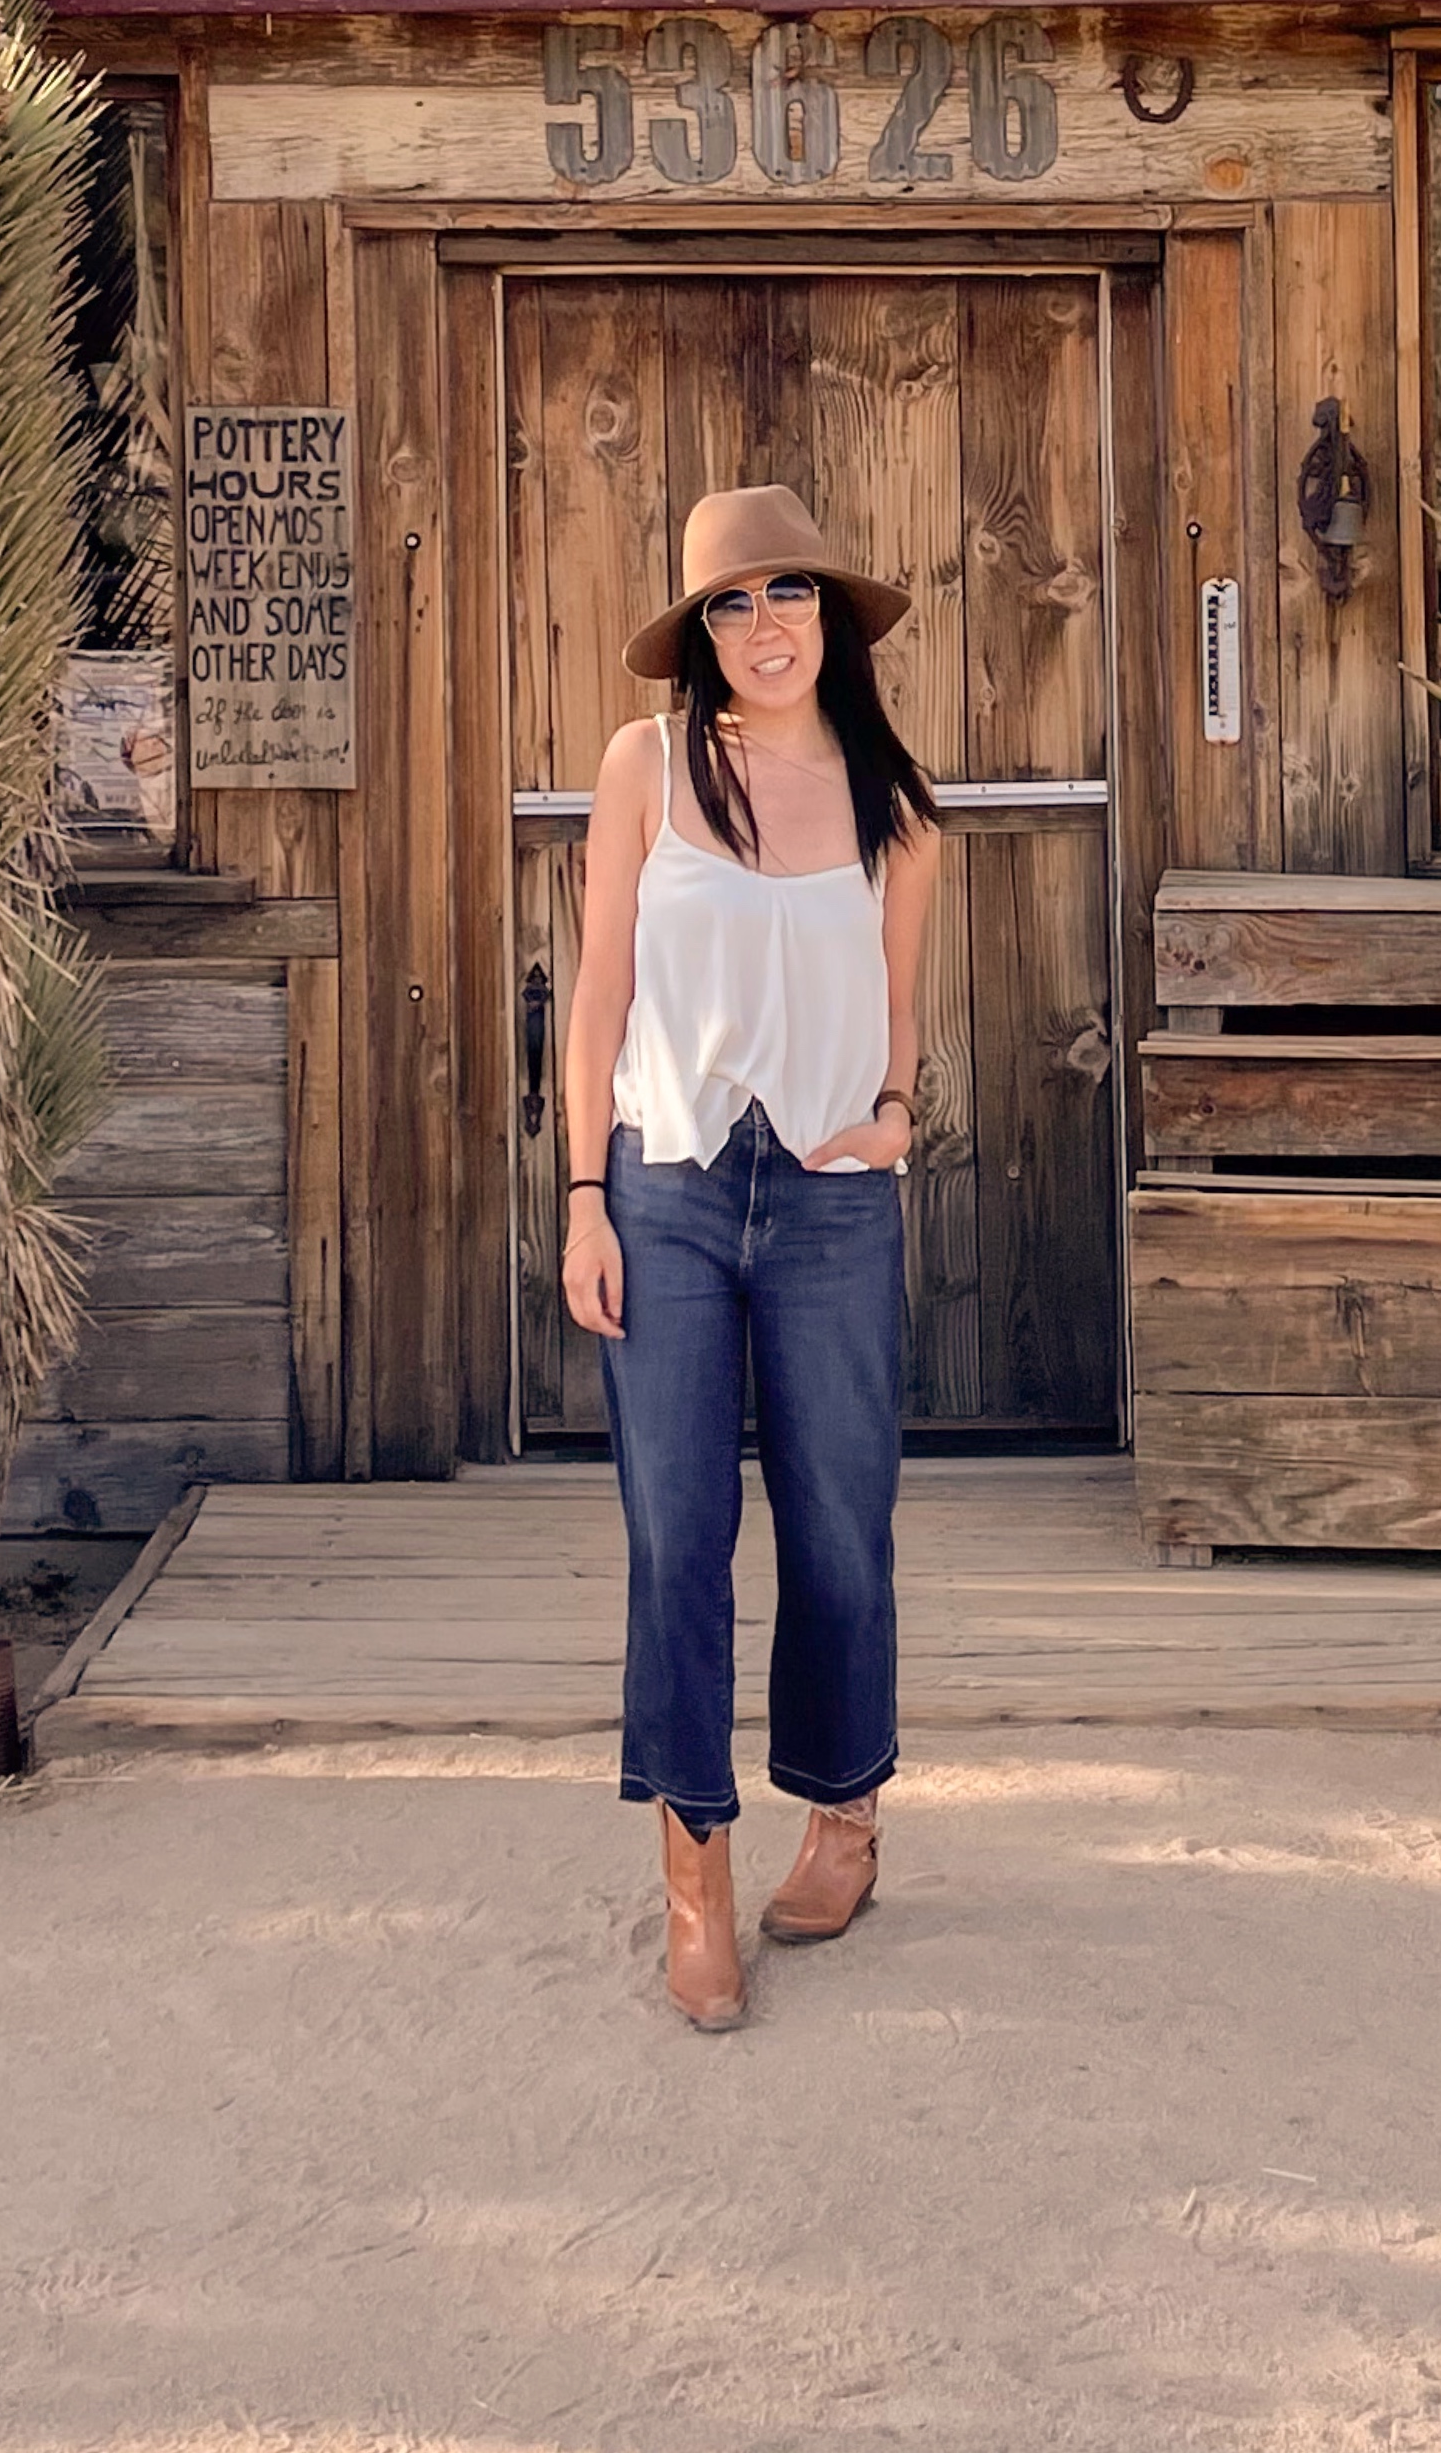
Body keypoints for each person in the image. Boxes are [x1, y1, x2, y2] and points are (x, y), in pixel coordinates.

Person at [559, 483, 943, 2031]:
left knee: (843, 1522)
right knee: (677, 1533)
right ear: (697, 634)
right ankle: (694, 1870)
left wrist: (899, 1113)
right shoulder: (643, 769)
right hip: (669, 1187)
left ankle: (845, 1815)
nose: (766, 624)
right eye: (733, 601)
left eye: (790, 593)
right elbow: (597, 993)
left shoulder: (894, 802)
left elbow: (903, 997)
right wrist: (582, 1191)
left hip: (832, 1197)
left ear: (829, 618)